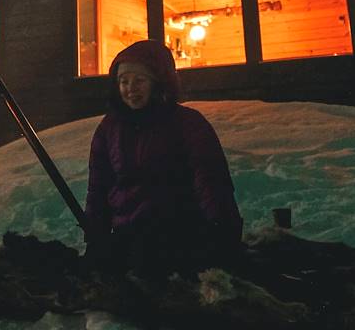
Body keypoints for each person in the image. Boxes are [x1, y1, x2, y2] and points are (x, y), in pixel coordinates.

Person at [84, 39, 243, 277]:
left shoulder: (187, 124)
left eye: (140, 80)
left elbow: (210, 179)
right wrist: (96, 234)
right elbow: (99, 186)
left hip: (178, 232)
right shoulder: (109, 129)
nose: (130, 88)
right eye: (123, 81)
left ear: (158, 83)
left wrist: (222, 231)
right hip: (127, 234)